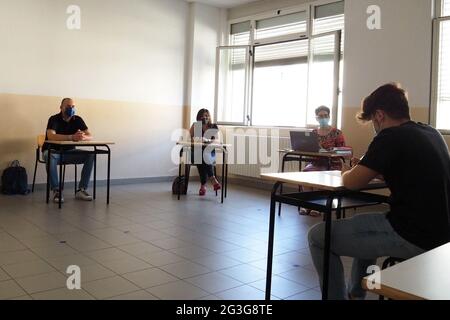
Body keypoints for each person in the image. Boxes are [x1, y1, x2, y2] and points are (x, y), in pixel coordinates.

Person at [307, 83, 450, 300]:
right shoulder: (431, 132)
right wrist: (381, 172)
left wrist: (348, 171)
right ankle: (356, 294)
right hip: (442, 233)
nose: (374, 126)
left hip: (413, 235)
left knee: (317, 236)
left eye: (373, 120)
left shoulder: (389, 136)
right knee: (366, 223)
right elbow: (412, 171)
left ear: (380, 115)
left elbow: (352, 183)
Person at [42, 98, 95, 203]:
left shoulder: (77, 119)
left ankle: (81, 189)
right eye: (68, 106)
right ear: (61, 107)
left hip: (69, 152)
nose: (71, 108)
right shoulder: (54, 119)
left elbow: (90, 135)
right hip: (54, 152)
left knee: (91, 155)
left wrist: (82, 137)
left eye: (73, 106)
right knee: (50, 155)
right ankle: (56, 190)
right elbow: (51, 136)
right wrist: (71, 137)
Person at [300, 106, 347, 216]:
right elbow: (309, 148)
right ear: (316, 118)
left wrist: (328, 150)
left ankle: (319, 205)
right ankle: (307, 204)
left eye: (325, 116)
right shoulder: (313, 133)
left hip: (333, 164)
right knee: (305, 173)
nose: (323, 118)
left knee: (318, 174)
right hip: (316, 162)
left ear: (329, 117)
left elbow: (344, 152)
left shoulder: (337, 133)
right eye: (320, 116)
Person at [189, 109, 221, 196]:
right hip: (196, 152)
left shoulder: (213, 126)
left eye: (207, 115)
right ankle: (212, 178)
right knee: (200, 155)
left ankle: (203, 186)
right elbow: (189, 138)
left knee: (202, 156)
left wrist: (209, 141)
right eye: (203, 115)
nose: (205, 117)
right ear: (199, 117)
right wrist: (196, 140)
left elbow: (218, 141)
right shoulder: (196, 125)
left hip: (210, 153)